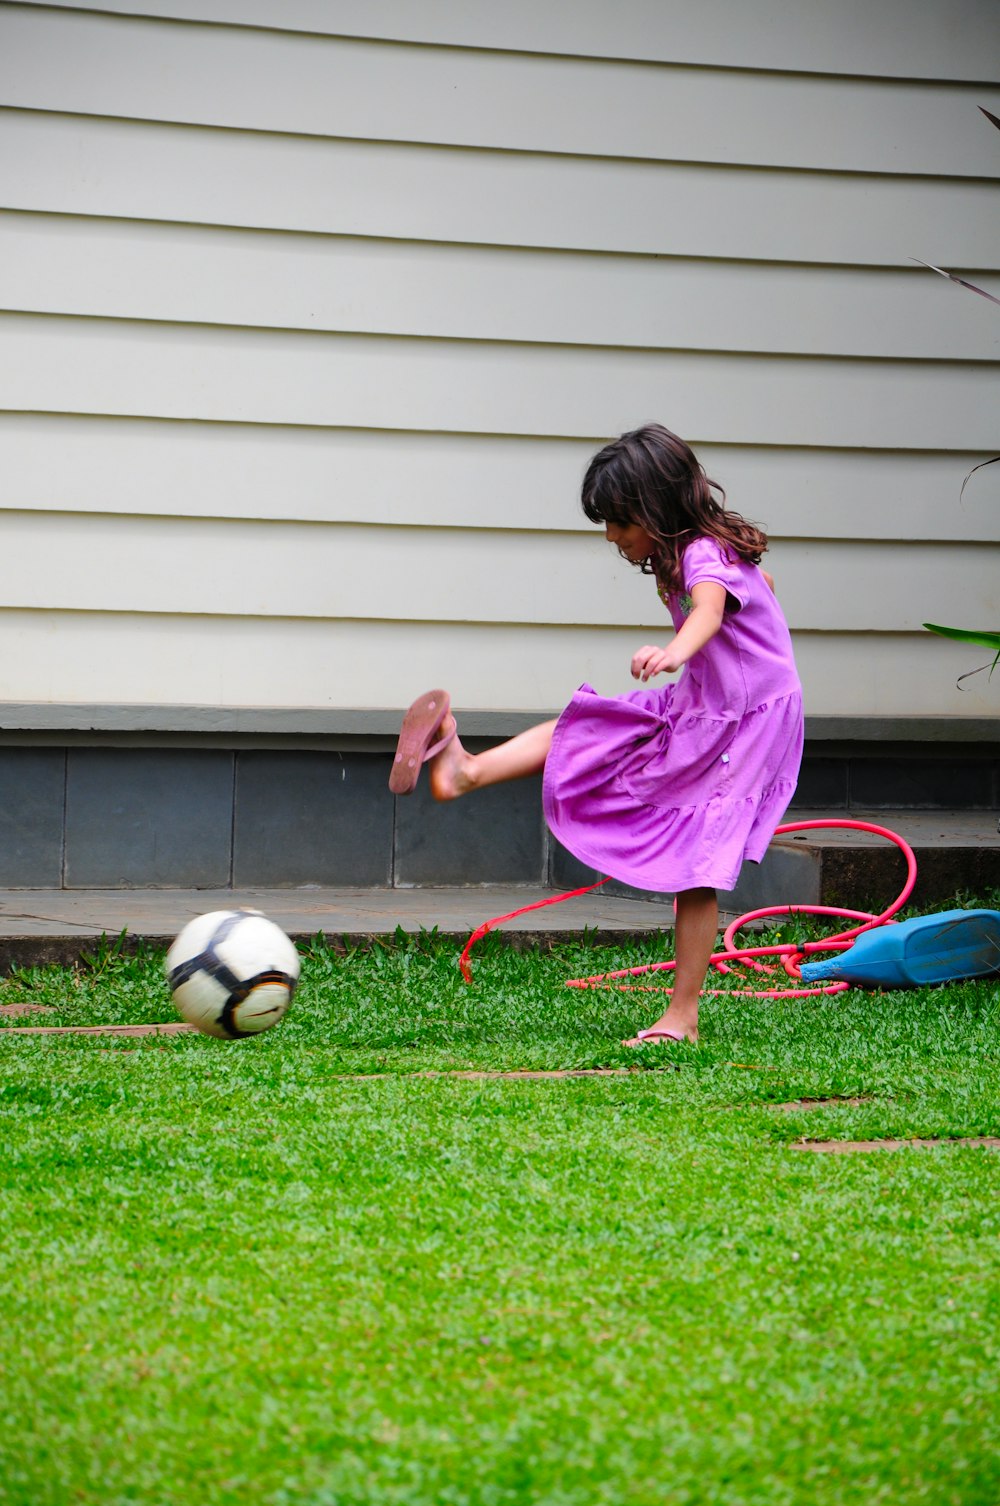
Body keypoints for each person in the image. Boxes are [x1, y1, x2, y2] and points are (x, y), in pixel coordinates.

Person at [388, 423, 803, 1045]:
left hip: (745, 720)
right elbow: (758, 592)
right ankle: (464, 769)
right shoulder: (699, 552)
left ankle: (682, 1016)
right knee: (596, 728)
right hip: (709, 701)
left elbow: (712, 611)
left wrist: (673, 649)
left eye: (618, 521)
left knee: (699, 861)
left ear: (656, 509)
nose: (611, 536)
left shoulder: (700, 555)